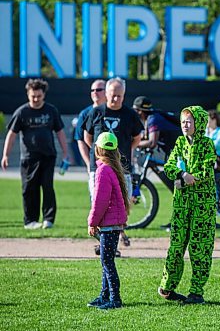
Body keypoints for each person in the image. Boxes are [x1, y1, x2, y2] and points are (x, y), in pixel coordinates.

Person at [157, 106, 217, 305]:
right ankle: (167, 286)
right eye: (183, 121)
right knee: (176, 245)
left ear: (198, 124)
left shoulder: (207, 144)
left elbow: (207, 170)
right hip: (182, 203)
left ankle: (196, 292)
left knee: (200, 248)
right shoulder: (180, 142)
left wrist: (188, 179)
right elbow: (169, 166)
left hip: (203, 204)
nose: (185, 125)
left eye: (189, 121)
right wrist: (183, 175)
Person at [84, 77, 143, 251]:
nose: (115, 99)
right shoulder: (96, 112)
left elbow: (137, 138)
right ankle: (103, 243)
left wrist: (119, 156)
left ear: (124, 95)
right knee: (99, 202)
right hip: (99, 169)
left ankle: (113, 242)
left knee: (121, 205)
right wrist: (102, 156)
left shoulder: (130, 115)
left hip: (122, 168)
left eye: (119, 95)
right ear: (106, 93)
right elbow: (88, 137)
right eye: (112, 95)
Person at [1, 78, 68, 229]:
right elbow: (11, 135)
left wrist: (65, 153)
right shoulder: (22, 112)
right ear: (28, 94)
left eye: (39, 96)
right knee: (29, 189)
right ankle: (30, 221)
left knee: (48, 187)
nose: (36, 99)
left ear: (44, 94)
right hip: (28, 158)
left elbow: (60, 133)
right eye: (33, 96)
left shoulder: (51, 111)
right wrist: (5, 155)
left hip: (48, 156)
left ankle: (48, 220)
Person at [87, 132, 129, 310]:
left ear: (98, 149)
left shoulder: (103, 170)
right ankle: (104, 296)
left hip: (108, 225)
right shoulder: (111, 168)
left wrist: (92, 221)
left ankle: (115, 299)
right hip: (113, 223)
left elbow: (100, 201)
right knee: (107, 260)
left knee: (107, 262)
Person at [75, 79, 107, 170]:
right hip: (95, 161)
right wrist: (88, 163)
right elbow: (81, 140)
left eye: (99, 90)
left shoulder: (113, 111)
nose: (95, 92)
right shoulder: (85, 114)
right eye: (92, 90)